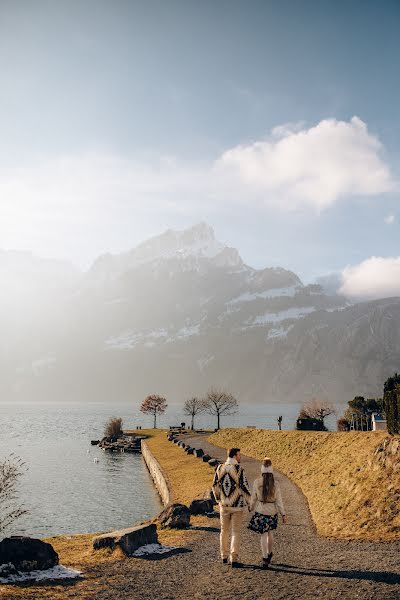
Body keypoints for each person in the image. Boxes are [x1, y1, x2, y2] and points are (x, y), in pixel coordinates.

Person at [212, 447, 251, 568]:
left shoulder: (220, 468)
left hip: (224, 505)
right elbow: (245, 487)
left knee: (224, 531)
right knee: (236, 532)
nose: (240, 457)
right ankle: (233, 558)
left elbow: (214, 486)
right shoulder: (239, 469)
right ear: (234, 455)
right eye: (239, 455)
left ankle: (223, 556)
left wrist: (219, 499)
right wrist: (250, 502)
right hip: (237, 505)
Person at [249, 457, 286, 569]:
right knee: (270, 533)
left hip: (261, 510)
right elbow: (279, 500)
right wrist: (283, 514)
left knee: (263, 535)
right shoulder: (276, 484)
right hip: (272, 511)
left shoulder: (257, 482)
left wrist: (251, 507)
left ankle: (265, 557)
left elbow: (253, 497)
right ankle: (270, 553)